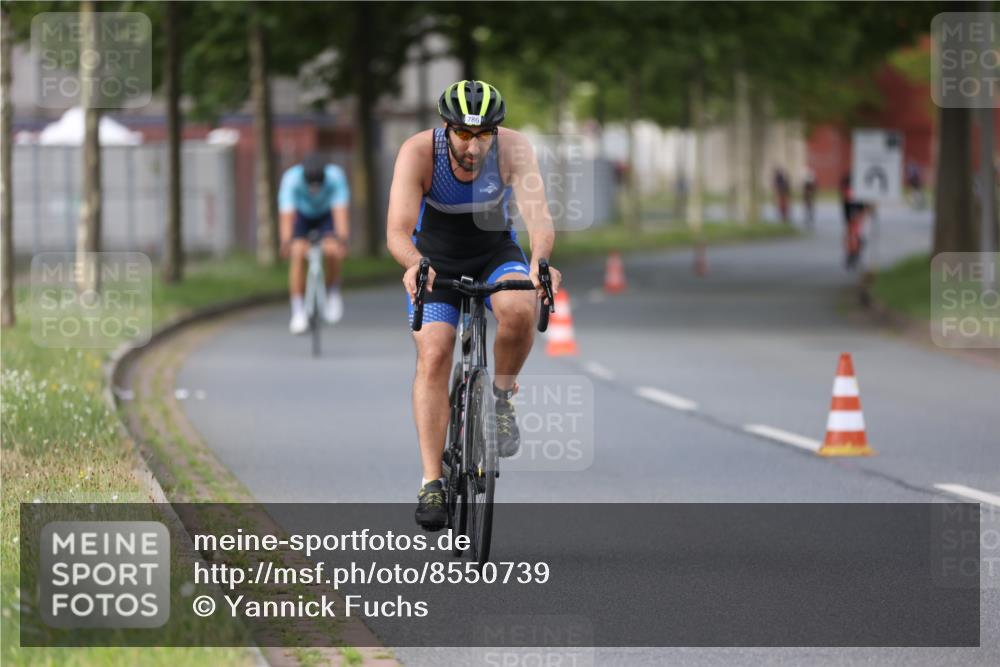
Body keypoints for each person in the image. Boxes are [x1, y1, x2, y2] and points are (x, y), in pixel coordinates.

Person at [385, 80, 562, 531]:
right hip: (434, 258)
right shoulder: (419, 152)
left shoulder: (514, 150)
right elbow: (398, 230)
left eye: (484, 134)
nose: (473, 144)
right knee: (435, 352)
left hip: (493, 251)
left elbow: (539, 219)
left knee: (520, 307)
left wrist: (541, 264)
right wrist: (413, 265)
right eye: (463, 134)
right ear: (446, 129)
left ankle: (500, 398)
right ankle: (431, 481)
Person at [278, 154, 351, 334]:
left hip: (326, 214)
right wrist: (286, 242)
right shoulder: (291, 179)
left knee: (332, 249)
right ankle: (297, 311)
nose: (314, 190)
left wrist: (342, 241)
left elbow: (340, 213)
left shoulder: (335, 177)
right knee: (297, 253)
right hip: (303, 215)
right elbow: (287, 216)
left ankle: (332, 291)